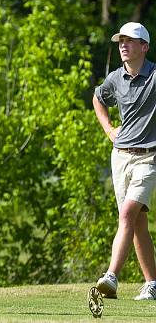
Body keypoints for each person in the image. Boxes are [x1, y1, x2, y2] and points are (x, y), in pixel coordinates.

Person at [93, 21, 156, 301]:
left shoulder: (155, 76)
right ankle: (152, 283)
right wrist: (108, 129)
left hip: (148, 158)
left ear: (144, 47)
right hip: (120, 157)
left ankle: (111, 277)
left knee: (127, 215)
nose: (123, 45)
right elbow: (98, 98)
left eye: (129, 41)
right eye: (120, 41)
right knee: (136, 224)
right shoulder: (115, 78)